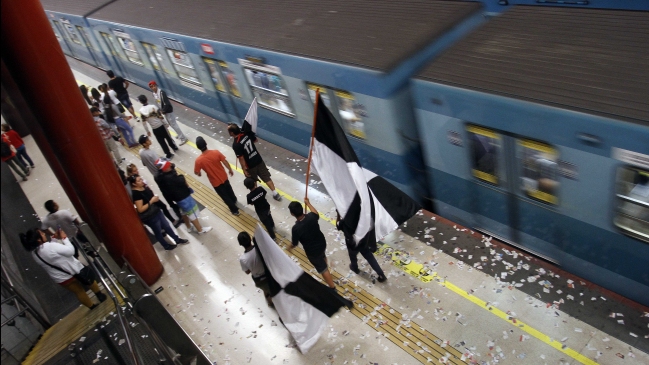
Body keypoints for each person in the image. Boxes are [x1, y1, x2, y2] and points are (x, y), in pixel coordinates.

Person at [20, 228, 107, 309]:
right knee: (89, 281)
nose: (44, 234)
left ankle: (92, 306)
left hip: (61, 278)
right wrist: (64, 238)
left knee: (79, 292)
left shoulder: (35, 254)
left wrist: (54, 237)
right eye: (41, 234)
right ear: (38, 239)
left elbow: (50, 252)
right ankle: (100, 295)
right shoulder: (50, 246)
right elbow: (70, 251)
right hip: (74, 269)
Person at [128, 174, 188, 250]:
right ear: (134, 184)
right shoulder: (136, 194)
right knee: (158, 232)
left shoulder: (143, 187)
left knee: (167, 226)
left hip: (156, 211)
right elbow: (140, 209)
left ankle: (177, 239)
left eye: (141, 179)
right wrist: (151, 201)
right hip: (150, 217)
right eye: (139, 181)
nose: (141, 181)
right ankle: (166, 245)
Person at [155, 159, 212, 234]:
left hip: (176, 198)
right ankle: (200, 230)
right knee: (192, 212)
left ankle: (188, 227)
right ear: (165, 169)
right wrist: (178, 175)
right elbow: (181, 180)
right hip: (183, 196)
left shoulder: (159, 176)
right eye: (169, 166)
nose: (170, 167)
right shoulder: (170, 177)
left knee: (184, 212)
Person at [288, 198, 335, 289]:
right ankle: (325, 267)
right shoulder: (311, 216)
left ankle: (332, 288)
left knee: (322, 269)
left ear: (292, 214)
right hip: (322, 243)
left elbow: (294, 243)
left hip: (312, 252)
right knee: (322, 256)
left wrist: (289, 247)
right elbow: (316, 213)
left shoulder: (296, 228)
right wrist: (308, 203)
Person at [227, 123, 281, 201]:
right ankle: (275, 194)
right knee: (266, 177)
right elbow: (255, 140)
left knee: (252, 180)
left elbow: (241, 158)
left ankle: (257, 195)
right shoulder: (246, 134)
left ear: (232, 133)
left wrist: (244, 169)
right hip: (258, 160)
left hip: (250, 165)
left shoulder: (236, 144)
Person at [194, 136, 240, 216]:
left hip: (215, 182)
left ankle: (234, 210)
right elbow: (225, 161)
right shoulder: (216, 152)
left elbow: (196, 172)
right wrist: (230, 169)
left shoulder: (198, 161)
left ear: (198, 147)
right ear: (206, 143)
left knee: (224, 196)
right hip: (224, 177)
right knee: (229, 189)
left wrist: (199, 174)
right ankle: (234, 199)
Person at [336, 211, 386, 282]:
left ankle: (354, 268)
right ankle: (381, 274)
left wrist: (338, 215)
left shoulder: (345, 221)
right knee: (369, 257)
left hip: (352, 243)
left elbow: (338, 226)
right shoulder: (364, 216)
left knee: (352, 256)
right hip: (363, 240)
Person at [126, 162, 181, 227]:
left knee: (163, 207)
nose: (137, 172)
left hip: (150, 195)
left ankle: (170, 222)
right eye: (134, 171)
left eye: (137, 170)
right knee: (160, 209)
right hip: (147, 199)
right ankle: (169, 223)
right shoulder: (133, 182)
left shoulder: (137, 178)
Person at [238, 232, 273, 307]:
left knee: (266, 290)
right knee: (273, 289)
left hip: (259, 280)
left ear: (240, 244)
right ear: (250, 239)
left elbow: (247, 272)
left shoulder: (242, 259)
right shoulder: (260, 248)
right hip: (269, 274)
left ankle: (270, 302)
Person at [148, 81, 188, 145]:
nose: (153, 88)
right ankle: (179, 134)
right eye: (151, 87)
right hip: (164, 111)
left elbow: (166, 103)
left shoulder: (161, 93)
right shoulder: (153, 94)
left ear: (156, 85)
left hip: (168, 111)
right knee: (171, 124)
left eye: (153, 86)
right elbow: (157, 102)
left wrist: (162, 111)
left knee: (173, 124)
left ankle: (183, 138)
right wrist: (159, 110)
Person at [138, 95, 177, 159]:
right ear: (147, 99)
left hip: (154, 129)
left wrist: (147, 131)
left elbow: (144, 123)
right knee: (168, 137)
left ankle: (168, 154)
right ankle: (174, 147)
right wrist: (166, 123)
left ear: (140, 102)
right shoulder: (153, 107)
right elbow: (160, 116)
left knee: (161, 142)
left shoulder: (141, 111)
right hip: (161, 126)